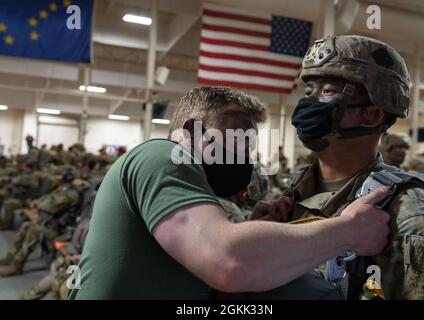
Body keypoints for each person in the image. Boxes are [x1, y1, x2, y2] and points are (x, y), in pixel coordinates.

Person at [67, 86, 390, 299]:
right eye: (236, 133)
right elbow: (229, 264)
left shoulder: (199, 185)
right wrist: (348, 230)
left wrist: (247, 228)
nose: (244, 149)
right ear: (193, 130)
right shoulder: (159, 156)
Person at [284, 35, 424, 299]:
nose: (308, 104)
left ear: (372, 115)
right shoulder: (289, 199)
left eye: (328, 92)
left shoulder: (411, 220)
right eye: (309, 91)